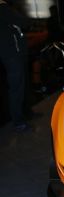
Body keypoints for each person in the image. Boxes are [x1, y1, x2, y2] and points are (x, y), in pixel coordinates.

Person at [0, 0, 32, 132]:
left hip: (13, 54)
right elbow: (24, 22)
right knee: (16, 88)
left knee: (21, 85)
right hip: (12, 55)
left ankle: (25, 112)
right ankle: (18, 121)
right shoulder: (3, 9)